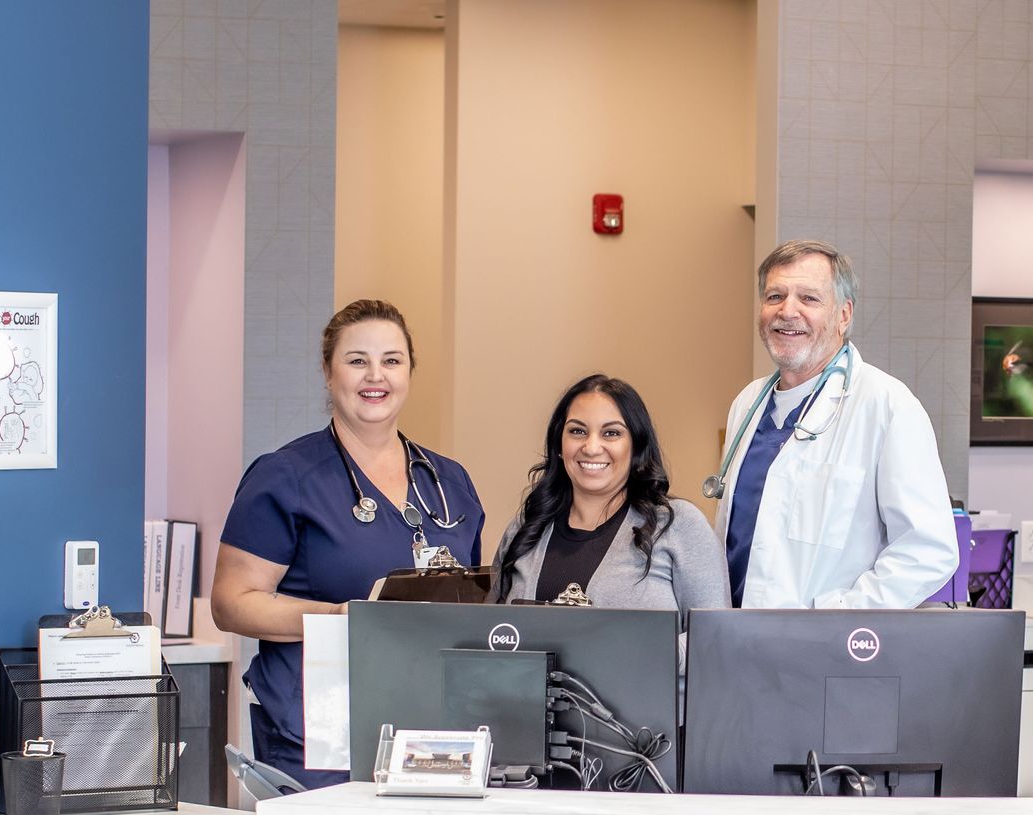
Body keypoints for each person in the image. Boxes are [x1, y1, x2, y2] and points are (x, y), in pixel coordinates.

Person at [212, 299, 484, 787]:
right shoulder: (285, 476)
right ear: (327, 370)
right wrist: (339, 617)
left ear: (409, 372)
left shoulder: (450, 480)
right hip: (317, 732)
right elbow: (231, 605)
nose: (374, 376)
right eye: (357, 360)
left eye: (391, 361)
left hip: (430, 731)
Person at [708, 239, 960, 608]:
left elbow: (927, 550)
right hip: (731, 637)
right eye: (774, 296)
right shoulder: (747, 403)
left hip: (825, 645)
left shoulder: (886, 405)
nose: (787, 311)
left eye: (809, 298)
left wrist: (837, 618)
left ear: (844, 314)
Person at [491, 373, 729, 610]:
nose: (592, 447)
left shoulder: (679, 526)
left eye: (611, 433)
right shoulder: (526, 527)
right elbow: (493, 631)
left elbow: (714, 637)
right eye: (577, 431)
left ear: (636, 446)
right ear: (559, 445)